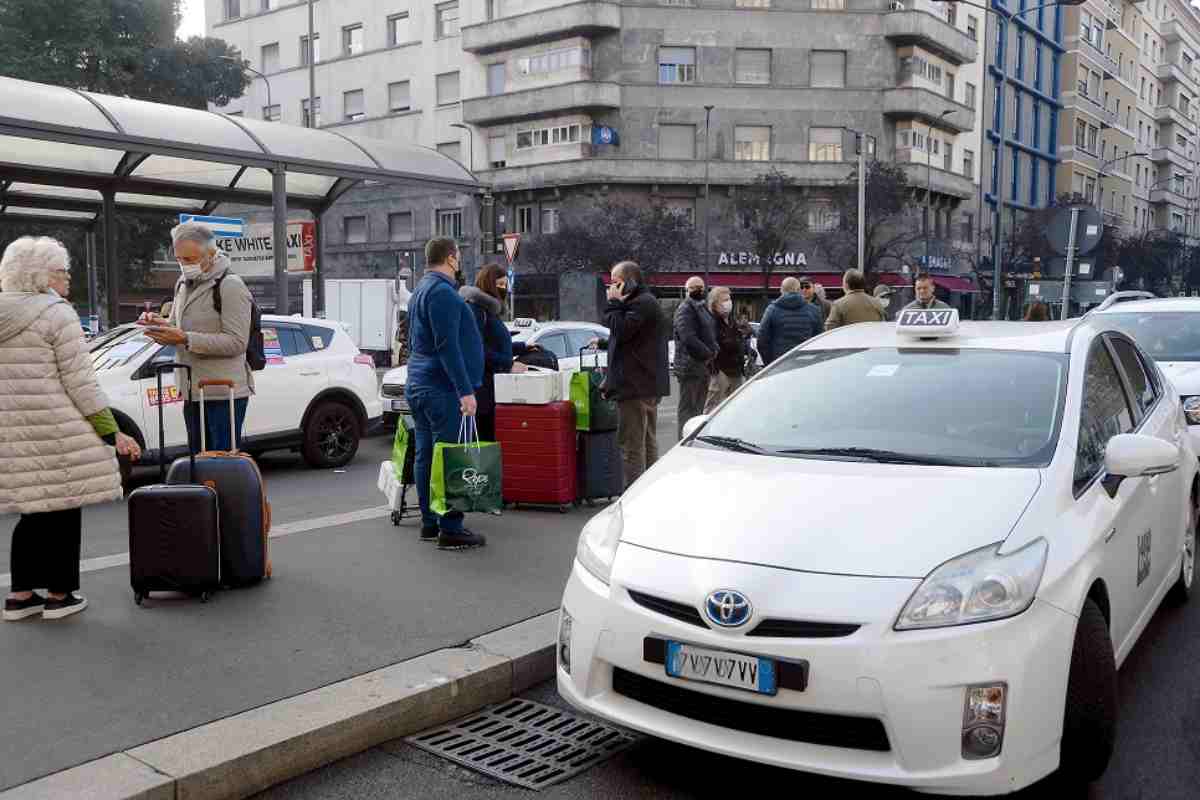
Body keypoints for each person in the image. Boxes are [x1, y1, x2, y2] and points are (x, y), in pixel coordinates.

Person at [1, 236, 141, 621]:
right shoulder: (56, 313)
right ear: (40, 276)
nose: (67, 279)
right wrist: (114, 433)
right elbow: (81, 383)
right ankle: (60, 597)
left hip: (13, 433)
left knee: (32, 511)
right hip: (58, 430)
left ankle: (20, 596)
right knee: (62, 509)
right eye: (62, 271)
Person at [138, 222, 254, 453]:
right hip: (192, 389)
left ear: (211, 255)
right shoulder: (182, 283)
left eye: (189, 260)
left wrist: (185, 339)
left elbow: (237, 342)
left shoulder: (230, 285)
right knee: (198, 464)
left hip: (223, 392)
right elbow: (177, 325)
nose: (184, 266)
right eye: (180, 260)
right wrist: (160, 325)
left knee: (221, 464)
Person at [407, 237, 486, 550]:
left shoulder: (420, 290)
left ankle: (430, 521)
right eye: (459, 257)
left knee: (426, 454)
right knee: (451, 456)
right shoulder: (443, 294)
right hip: (440, 387)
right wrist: (465, 391)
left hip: (420, 383)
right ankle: (450, 527)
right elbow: (447, 346)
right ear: (451, 259)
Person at [599, 261, 670, 489]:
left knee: (632, 445)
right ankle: (648, 489)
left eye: (616, 282)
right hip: (643, 383)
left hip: (635, 385)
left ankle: (633, 494)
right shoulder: (642, 302)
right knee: (646, 440)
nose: (611, 287)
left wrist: (612, 304)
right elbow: (632, 339)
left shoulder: (640, 304)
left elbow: (621, 329)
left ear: (630, 281)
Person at [461, 263, 528, 442]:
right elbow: (477, 349)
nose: (503, 289)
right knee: (483, 441)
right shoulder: (476, 309)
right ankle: (478, 471)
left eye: (506, 285)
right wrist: (508, 364)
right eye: (499, 285)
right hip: (482, 389)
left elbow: (495, 344)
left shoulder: (489, 311)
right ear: (488, 284)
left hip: (492, 387)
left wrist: (523, 347)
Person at [672, 276, 717, 440]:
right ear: (687, 291)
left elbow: (709, 333)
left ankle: (693, 439)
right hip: (690, 366)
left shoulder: (701, 307)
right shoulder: (685, 309)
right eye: (694, 287)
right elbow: (688, 338)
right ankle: (684, 441)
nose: (699, 290)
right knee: (688, 410)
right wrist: (708, 353)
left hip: (701, 365)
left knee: (697, 409)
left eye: (701, 287)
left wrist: (713, 349)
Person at [704, 286, 751, 413]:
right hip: (721, 371)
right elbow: (713, 345)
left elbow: (737, 341)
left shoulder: (731, 321)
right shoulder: (711, 322)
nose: (728, 303)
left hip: (736, 369)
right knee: (713, 408)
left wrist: (746, 347)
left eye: (729, 299)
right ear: (714, 304)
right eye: (724, 300)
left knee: (735, 408)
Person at [756, 277, 822, 365]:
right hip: (805, 363)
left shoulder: (772, 309)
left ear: (781, 290)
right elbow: (819, 339)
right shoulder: (814, 310)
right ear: (799, 290)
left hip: (779, 362)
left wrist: (770, 363)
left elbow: (761, 339)